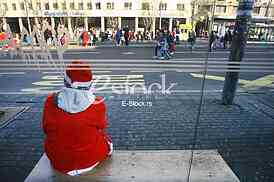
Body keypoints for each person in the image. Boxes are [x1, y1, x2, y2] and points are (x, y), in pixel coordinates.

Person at [42, 60, 113, 176]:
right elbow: (102, 126)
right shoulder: (97, 103)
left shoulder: (50, 101)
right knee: (105, 139)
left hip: (58, 161)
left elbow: (46, 128)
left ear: (66, 80)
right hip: (89, 160)